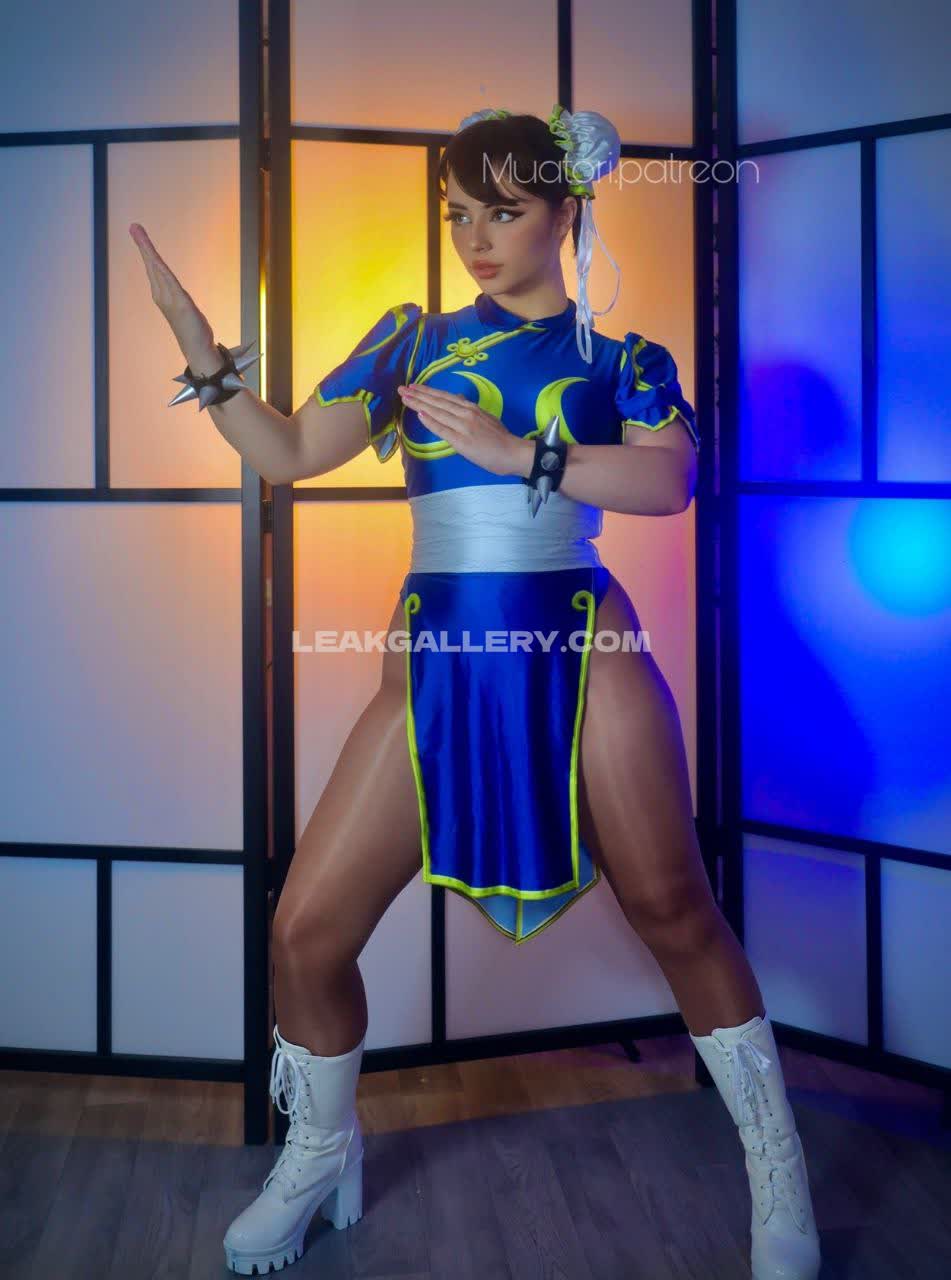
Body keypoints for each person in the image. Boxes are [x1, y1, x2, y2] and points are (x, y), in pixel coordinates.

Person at [131, 104, 820, 1280]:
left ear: (564, 211)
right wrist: (203, 353)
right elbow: (291, 452)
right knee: (304, 930)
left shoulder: (621, 359)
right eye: (459, 214)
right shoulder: (413, 342)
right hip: (440, 647)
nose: (476, 238)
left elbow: (670, 481)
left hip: (582, 641)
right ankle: (320, 1152)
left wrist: (522, 454)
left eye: (504, 211)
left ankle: (777, 1166)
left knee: (672, 903)